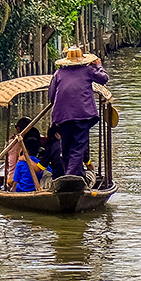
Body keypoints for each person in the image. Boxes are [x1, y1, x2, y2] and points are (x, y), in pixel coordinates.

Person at [47, 45, 109, 181]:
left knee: (66, 149)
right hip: (82, 116)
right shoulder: (88, 70)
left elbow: (51, 96)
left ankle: (73, 177)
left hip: (63, 116)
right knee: (77, 148)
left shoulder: (58, 74)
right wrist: (99, 65)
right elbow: (104, 78)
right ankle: (71, 177)